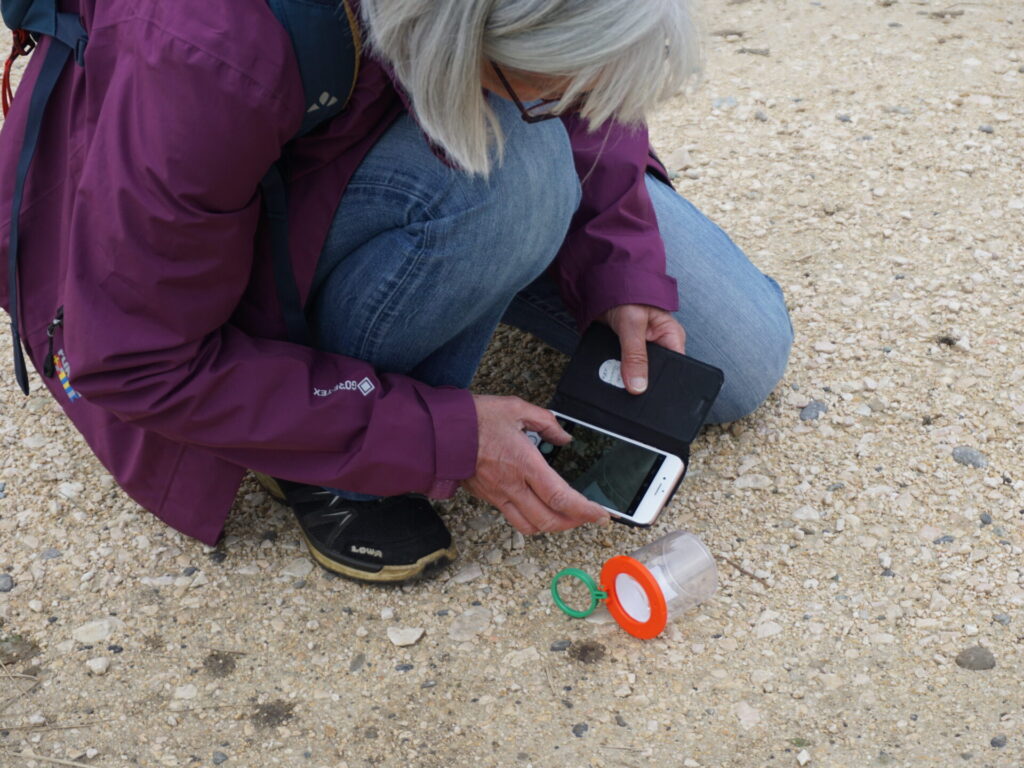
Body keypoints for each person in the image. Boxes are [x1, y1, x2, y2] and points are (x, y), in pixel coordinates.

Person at [0, 0, 792, 582]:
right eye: (551, 92)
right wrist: (440, 435)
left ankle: (472, 246)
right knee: (516, 179)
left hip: (410, 111)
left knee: (742, 354)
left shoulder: (507, 50)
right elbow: (136, 360)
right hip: (264, 163)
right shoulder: (203, 46)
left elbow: (576, 76)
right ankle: (331, 437)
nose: (569, 109)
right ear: (454, 39)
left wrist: (621, 266)